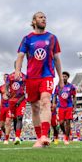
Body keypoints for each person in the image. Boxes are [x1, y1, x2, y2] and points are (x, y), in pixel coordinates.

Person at [14, 12, 63, 148]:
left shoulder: (52, 38)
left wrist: (60, 78)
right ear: (34, 21)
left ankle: (44, 135)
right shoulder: (27, 39)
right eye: (40, 17)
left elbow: (57, 59)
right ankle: (38, 138)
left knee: (46, 101)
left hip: (47, 75)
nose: (44, 19)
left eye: (45, 17)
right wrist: (18, 70)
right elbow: (20, 56)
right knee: (35, 108)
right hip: (31, 78)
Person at [5, 63, 27, 145]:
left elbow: (26, 90)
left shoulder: (25, 77)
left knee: (19, 117)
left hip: (21, 100)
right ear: (14, 66)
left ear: (21, 66)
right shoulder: (10, 76)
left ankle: (17, 137)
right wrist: (7, 93)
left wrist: (20, 100)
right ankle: (15, 136)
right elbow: (6, 86)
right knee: (14, 119)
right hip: (12, 100)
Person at [53, 71, 77, 145]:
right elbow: (54, 95)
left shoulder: (71, 86)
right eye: (62, 76)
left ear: (68, 77)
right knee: (61, 123)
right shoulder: (58, 86)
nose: (63, 78)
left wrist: (74, 107)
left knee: (68, 122)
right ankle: (65, 133)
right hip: (61, 107)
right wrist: (54, 103)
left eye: (65, 76)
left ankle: (66, 138)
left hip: (69, 106)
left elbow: (74, 97)